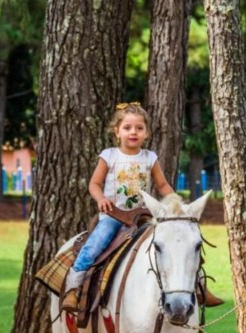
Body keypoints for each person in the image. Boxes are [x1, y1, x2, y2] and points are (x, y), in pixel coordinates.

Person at [61, 103, 177, 312]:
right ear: (117, 131)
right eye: (127, 127)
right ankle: (74, 286)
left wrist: (176, 205)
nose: (133, 132)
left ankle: (194, 287)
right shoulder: (110, 155)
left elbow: (162, 185)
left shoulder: (150, 158)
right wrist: (101, 199)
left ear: (147, 132)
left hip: (141, 217)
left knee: (173, 243)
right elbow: (94, 183)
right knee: (96, 244)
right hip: (114, 215)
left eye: (139, 128)